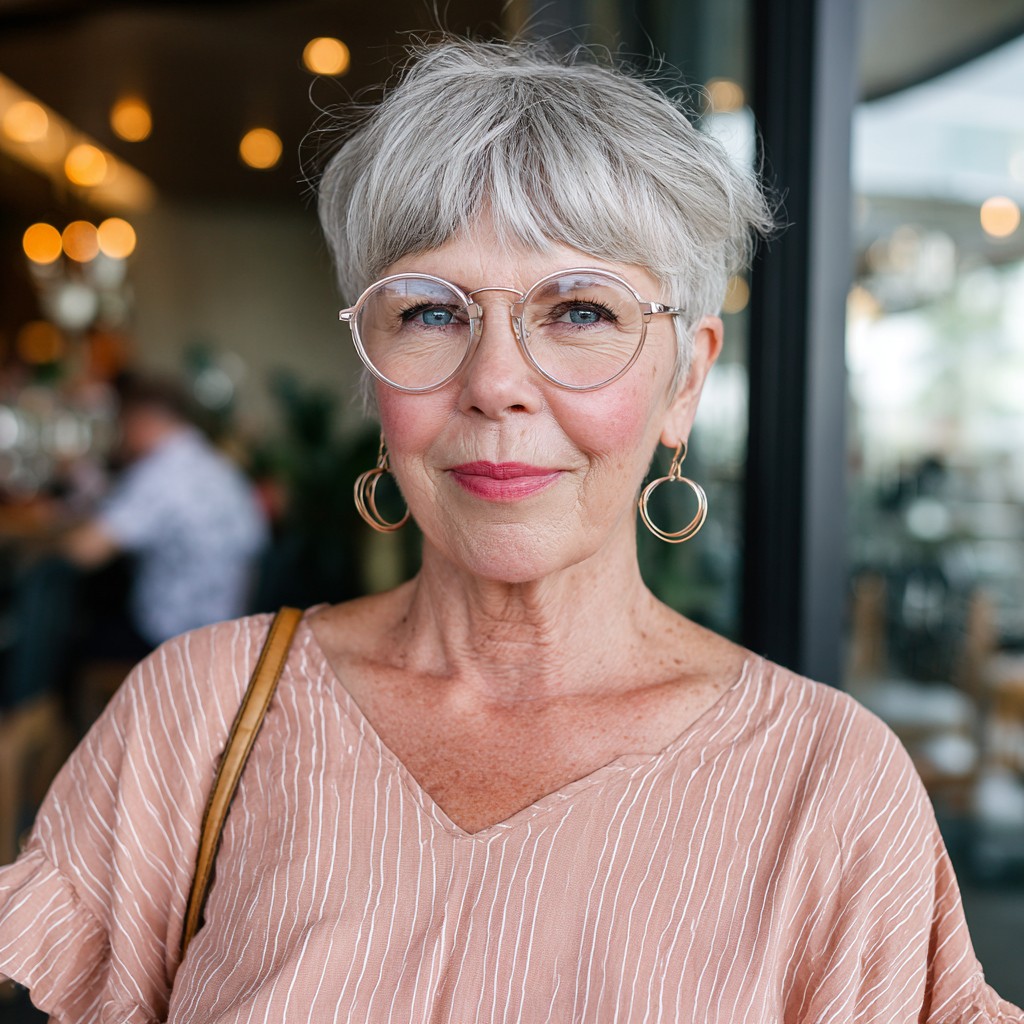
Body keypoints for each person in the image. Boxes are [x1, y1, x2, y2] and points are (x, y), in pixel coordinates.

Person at [0, 39, 1019, 1024]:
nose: (493, 382)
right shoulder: (197, 717)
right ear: (372, 365)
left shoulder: (825, 784)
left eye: (579, 309)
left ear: (687, 381)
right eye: (431, 312)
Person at [61, 373, 268, 652]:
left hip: (172, 637)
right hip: (226, 629)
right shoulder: (216, 464)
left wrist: (38, 540)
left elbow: (83, 552)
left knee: (67, 632)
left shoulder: (162, 472)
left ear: (141, 421)